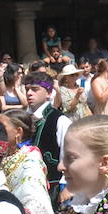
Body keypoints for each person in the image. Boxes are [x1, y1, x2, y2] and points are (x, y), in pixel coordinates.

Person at [0, 109, 54, 214]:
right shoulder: (3, 157)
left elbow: (34, 198)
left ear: (18, 132)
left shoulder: (30, 160)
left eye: (1, 127)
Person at [25, 71, 71, 203]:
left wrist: (65, 186)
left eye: (35, 89)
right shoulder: (22, 118)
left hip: (52, 188)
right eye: (27, 89)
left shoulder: (59, 120)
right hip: (25, 187)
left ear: (49, 93)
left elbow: (68, 155)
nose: (29, 93)